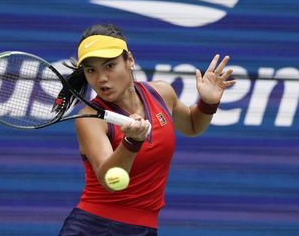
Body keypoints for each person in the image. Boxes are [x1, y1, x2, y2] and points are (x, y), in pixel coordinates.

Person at [58, 23, 235, 236]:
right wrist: (131, 142)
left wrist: (207, 104)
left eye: (109, 66)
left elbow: (192, 125)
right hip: (95, 227)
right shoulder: (90, 118)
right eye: (91, 70)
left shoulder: (162, 93)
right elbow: (109, 179)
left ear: (129, 60)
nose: (101, 78)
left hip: (144, 228)